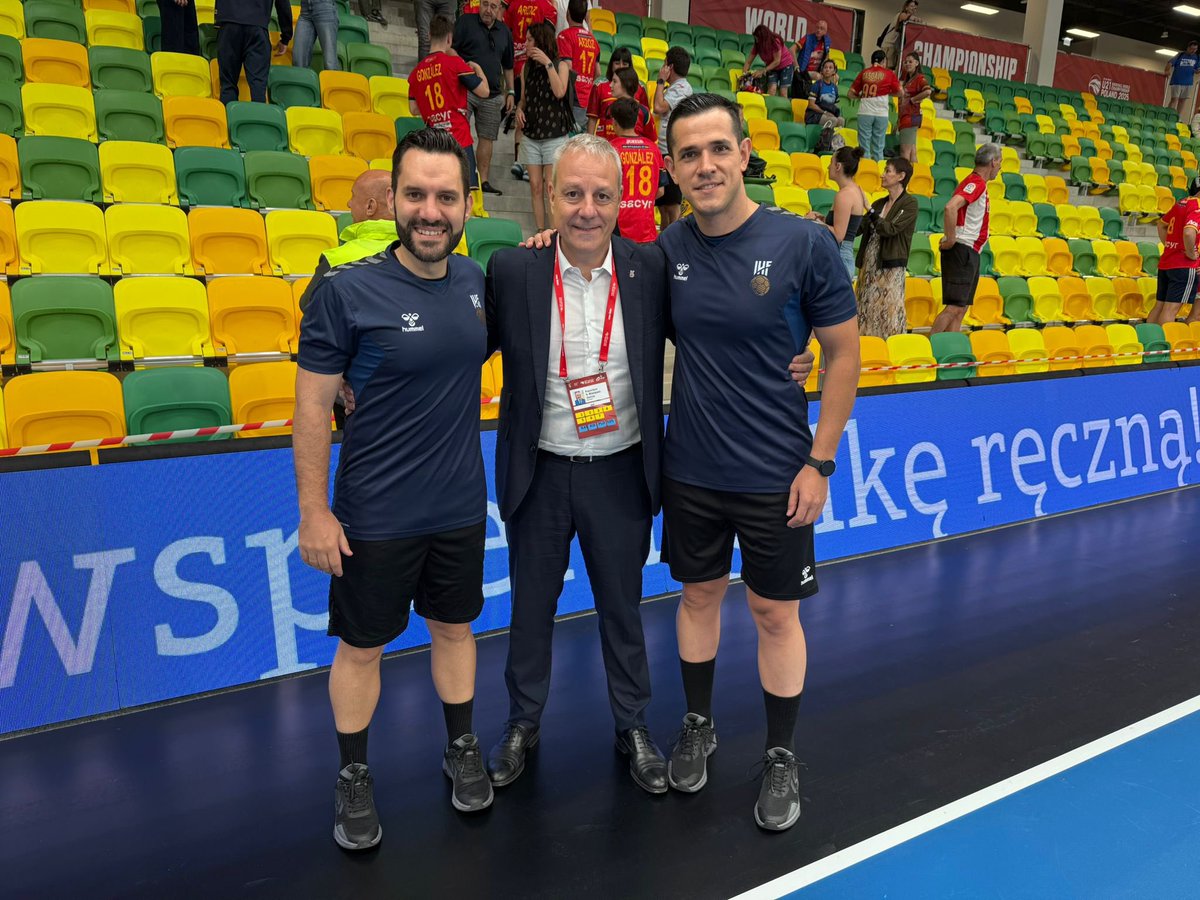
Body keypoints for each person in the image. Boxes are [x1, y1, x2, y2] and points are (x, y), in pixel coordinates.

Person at [658, 93, 859, 832]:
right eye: (689, 154)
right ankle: (699, 725)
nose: (705, 165)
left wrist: (821, 463)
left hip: (779, 474)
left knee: (775, 613)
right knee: (698, 598)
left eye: (718, 149)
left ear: (744, 153)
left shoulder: (802, 244)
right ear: (676, 169)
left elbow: (841, 356)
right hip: (693, 472)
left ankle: (780, 754)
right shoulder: (669, 249)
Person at [294, 128, 493, 852]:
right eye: (417, 195)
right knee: (362, 649)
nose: (431, 211)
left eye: (446, 196)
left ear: (467, 204)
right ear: (395, 203)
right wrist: (315, 511)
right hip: (373, 515)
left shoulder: (479, 284)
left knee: (454, 630)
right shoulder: (348, 291)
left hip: (459, 508)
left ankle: (462, 745)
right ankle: (353, 776)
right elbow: (314, 406)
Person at [483, 134, 670, 795]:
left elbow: (718, 326)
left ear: (623, 200)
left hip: (620, 470)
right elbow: (460, 348)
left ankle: (633, 724)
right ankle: (522, 724)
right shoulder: (513, 270)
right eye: (572, 194)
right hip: (539, 472)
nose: (586, 209)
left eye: (601, 195)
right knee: (531, 609)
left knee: (623, 608)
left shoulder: (650, 272)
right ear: (550, 196)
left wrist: (791, 350)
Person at [298, 169, 398, 313]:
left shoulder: (337, 258)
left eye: (353, 196)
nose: (349, 203)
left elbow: (308, 305)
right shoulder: (421, 255)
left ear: (370, 206)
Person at [410, 16, 489, 190]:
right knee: (461, 192)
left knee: (438, 192)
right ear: (449, 39)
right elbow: (484, 91)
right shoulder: (455, 64)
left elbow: (413, 109)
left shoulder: (416, 73)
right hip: (458, 138)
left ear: (429, 35)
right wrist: (478, 70)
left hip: (433, 141)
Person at [933, 143, 1002, 333]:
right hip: (963, 249)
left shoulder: (977, 183)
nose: (1000, 167)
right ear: (993, 162)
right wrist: (950, 238)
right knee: (954, 307)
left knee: (961, 308)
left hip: (970, 251)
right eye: (1000, 162)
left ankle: (949, 350)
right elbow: (950, 207)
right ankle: (930, 348)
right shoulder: (976, 182)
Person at [518, 21, 575, 231]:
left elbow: (559, 92)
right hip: (532, 134)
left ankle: (554, 232)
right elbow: (524, 98)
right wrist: (519, 109)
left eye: (530, 39)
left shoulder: (560, 65)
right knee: (535, 186)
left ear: (541, 41)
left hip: (554, 135)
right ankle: (541, 231)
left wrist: (547, 63)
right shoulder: (526, 68)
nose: (526, 43)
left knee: (552, 188)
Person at [454, 0, 515, 195]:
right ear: (479, 4)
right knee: (460, 134)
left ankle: (482, 181)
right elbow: (451, 50)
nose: (488, 10)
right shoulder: (465, 22)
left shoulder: (505, 32)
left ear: (500, 10)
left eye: (493, 6)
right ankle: (460, 178)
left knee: (487, 138)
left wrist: (511, 91)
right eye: (485, 4)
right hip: (466, 88)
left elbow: (508, 66)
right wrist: (464, 66)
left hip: (494, 94)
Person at [855, 157, 918, 338]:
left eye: (888, 171)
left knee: (888, 311)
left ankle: (889, 349)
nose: (882, 175)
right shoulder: (878, 203)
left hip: (890, 266)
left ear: (901, 176)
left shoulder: (910, 204)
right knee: (865, 307)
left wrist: (870, 210)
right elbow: (859, 228)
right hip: (869, 264)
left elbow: (889, 229)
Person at [505, 0, 558, 181]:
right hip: (527, 67)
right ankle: (523, 163)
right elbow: (550, 32)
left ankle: (520, 161)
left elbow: (506, 30)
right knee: (525, 108)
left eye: (530, 39)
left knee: (525, 109)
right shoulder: (546, 6)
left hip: (522, 65)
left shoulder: (513, 5)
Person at [608, 98, 665, 243]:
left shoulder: (610, 150)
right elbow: (660, 191)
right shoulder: (653, 149)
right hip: (647, 231)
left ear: (614, 122)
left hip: (618, 231)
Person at [806, 146, 868, 280]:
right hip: (842, 256)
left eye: (831, 162)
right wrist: (822, 220)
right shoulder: (853, 190)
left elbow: (839, 235)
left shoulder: (844, 195)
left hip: (838, 256)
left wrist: (814, 221)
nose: (828, 167)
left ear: (838, 166)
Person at [215, 0, 292, 103]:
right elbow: (283, 3)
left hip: (229, 24)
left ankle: (227, 117)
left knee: (228, 84)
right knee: (258, 85)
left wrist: (218, 19)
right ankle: (257, 118)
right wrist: (286, 36)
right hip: (257, 26)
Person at [1148, 176, 1200, 325]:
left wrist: (1171, 245)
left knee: (1159, 306)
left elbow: (1161, 224)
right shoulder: (1197, 207)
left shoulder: (1181, 203)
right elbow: (1189, 232)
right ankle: (1166, 345)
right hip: (1184, 265)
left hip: (1167, 262)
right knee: (1170, 310)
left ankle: (1148, 340)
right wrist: (1190, 253)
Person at [653, 46, 693, 229]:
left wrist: (660, 81)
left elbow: (659, 107)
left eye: (664, 64)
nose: (662, 68)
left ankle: (673, 244)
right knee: (663, 206)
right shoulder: (676, 87)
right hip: (663, 150)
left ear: (671, 66)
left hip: (671, 151)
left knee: (672, 206)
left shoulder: (682, 88)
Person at [849, 51, 900, 161]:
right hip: (881, 113)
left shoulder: (864, 72)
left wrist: (860, 97)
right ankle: (878, 173)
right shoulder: (889, 73)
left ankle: (865, 172)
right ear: (883, 61)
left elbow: (850, 93)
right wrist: (888, 93)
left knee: (864, 146)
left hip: (865, 112)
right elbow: (901, 92)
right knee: (879, 147)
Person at [557, 0, 600, 132]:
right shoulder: (594, 41)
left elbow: (567, 67)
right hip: (588, 101)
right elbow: (598, 73)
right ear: (584, 16)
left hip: (572, 100)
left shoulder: (564, 36)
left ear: (567, 13)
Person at [587, 49, 650, 137]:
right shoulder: (599, 86)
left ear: (630, 65)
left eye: (625, 64)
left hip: (630, 144)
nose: (620, 66)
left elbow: (645, 118)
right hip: (604, 142)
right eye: (617, 63)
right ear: (611, 64)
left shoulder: (640, 88)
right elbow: (592, 119)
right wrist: (590, 142)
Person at [591, 68, 656, 142]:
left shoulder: (644, 112)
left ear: (626, 84)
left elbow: (652, 142)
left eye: (615, 81)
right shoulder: (609, 109)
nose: (610, 85)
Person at [897, 52, 930, 164]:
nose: (907, 64)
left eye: (910, 62)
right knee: (912, 152)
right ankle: (914, 177)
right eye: (906, 62)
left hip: (910, 117)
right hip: (907, 117)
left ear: (917, 63)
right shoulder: (908, 80)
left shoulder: (919, 78)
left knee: (904, 152)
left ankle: (904, 178)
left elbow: (927, 91)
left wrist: (913, 99)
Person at [744, 25, 795, 97]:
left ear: (764, 38)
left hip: (786, 65)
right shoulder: (757, 45)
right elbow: (748, 62)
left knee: (783, 92)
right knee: (772, 89)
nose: (757, 41)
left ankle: (784, 107)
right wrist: (745, 76)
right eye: (756, 38)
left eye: (758, 38)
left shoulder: (775, 41)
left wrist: (763, 70)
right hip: (772, 67)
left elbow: (777, 61)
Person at [790, 19, 830, 100]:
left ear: (825, 31)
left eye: (821, 28)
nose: (818, 30)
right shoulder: (807, 38)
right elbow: (791, 50)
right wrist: (796, 66)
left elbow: (827, 57)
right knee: (818, 76)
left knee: (834, 77)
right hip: (803, 72)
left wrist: (826, 70)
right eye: (817, 27)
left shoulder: (826, 42)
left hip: (817, 72)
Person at [880, 0, 921, 70]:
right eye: (911, 6)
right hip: (889, 45)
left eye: (915, 7)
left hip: (897, 47)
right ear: (906, 7)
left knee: (895, 68)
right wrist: (916, 19)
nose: (913, 8)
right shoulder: (901, 14)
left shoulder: (910, 21)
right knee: (886, 67)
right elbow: (905, 17)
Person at [1166, 40, 1199, 118]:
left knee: (1182, 100)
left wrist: (1197, 71)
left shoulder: (1197, 57)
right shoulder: (1180, 55)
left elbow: (1197, 70)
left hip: (1188, 82)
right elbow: (1170, 63)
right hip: (1177, 81)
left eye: (1195, 49)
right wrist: (1167, 70)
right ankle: (1168, 115)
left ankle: (1177, 117)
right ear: (1188, 48)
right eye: (1191, 49)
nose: (1193, 51)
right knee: (1174, 99)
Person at [806, 59, 843, 129]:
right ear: (822, 70)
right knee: (833, 120)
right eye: (825, 67)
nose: (827, 69)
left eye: (830, 67)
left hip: (828, 114)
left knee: (841, 120)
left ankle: (835, 139)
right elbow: (811, 105)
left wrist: (834, 114)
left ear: (834, 71)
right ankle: (824, 139)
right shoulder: (817, 85)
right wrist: (825, 112)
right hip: (814, 115)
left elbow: (834, 105)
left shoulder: (834, 88)